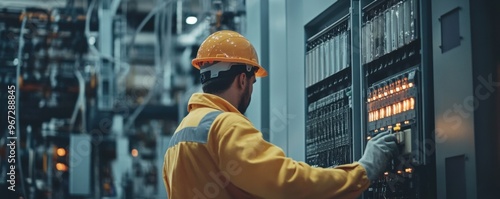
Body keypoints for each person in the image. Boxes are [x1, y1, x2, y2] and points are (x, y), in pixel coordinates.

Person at [162, 30, 398, 199]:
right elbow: (287, 183)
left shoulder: (179, 136)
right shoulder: (226, 126)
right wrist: (361, 171)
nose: (251, 89)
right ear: (242, 80)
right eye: (253, 82)